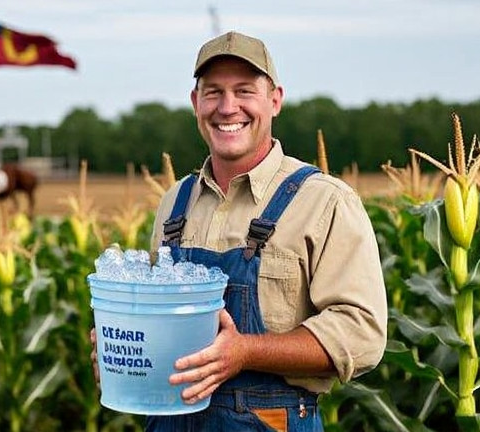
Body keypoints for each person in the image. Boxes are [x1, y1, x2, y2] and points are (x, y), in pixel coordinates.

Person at [91, 30, 387, 431]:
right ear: (196, 103)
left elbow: (361, 335)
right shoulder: (174, 202)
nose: (227, 108)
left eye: (244, 91)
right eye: (213, 92)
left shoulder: (324, 202)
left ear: (275, 100)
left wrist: (246, 351)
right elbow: (162, 327)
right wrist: (128, 355)